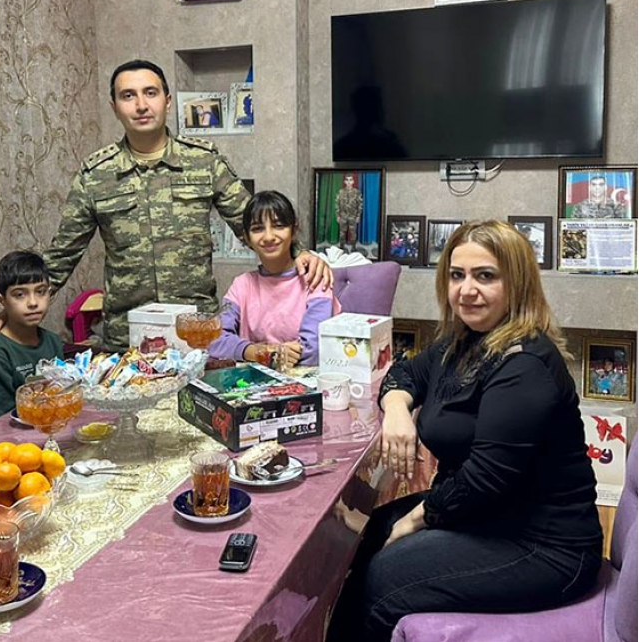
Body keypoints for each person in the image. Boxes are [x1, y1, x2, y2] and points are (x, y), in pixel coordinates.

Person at [326, 220, 602, 642]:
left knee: (385, 575)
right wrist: (397, 410)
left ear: (517, 284)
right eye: (457, 275)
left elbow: (483, 479)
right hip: (489, 514)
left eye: (485, 276)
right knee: (370, 532)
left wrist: (415, 520)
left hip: (544, 545)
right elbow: (405, 372)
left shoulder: (525, 365)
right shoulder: (466, 340)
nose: (466, 290)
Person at [0, 59, 331, 351]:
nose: (141, 105)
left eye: (150, 93)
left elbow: (252, 223)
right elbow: (62, 255)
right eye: (128, 96)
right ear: (114, 107)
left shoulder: (203, 161)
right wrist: (15, 313)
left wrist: (300, 253)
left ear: (167, 99)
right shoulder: (96, 174)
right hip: (127, 339)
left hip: (196, 334)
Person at [208, 191, 340, 368]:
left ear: (293, 231)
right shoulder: (242, 285)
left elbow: (315, 350)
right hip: (253, 381)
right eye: (258, 229)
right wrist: (255, 352)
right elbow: (213, 340)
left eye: (278, 226)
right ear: (247, 238)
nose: (269, 237)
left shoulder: (314, 278)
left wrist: (276, 355)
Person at [0, 251, 64, 423]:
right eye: (20, 294)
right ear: (2, 300)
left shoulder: (53, 342)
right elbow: (5, 420)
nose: (33, 303)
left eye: (40, 292)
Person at [335, 173, 363, 250]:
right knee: (342, 233)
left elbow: (360, 205)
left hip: (352, 216)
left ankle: (353, 247)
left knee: (353, 233)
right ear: (345, 182)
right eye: (347, 180)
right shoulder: (340, 192)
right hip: (343, 216)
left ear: (353, 181)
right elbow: (337, 204)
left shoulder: (357, 192)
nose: (349, 182)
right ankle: (341, 247)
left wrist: (358, 216)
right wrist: (337, 215)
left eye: (350, 180)